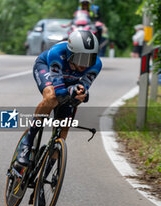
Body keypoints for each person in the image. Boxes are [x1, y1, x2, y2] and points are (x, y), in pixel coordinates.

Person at [15, 30, 102, 167]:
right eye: (80, 58)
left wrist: (81, 94)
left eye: (89, 59)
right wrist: (71, 91)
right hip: (45, 67)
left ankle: (48, 169)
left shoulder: (97, 64)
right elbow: (60, 92)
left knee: (64, 125)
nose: (84, 65)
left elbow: (83, 88)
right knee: (52, 97)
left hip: (67, 82)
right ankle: (27, 142)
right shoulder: (57, 53)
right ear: (70, 53)